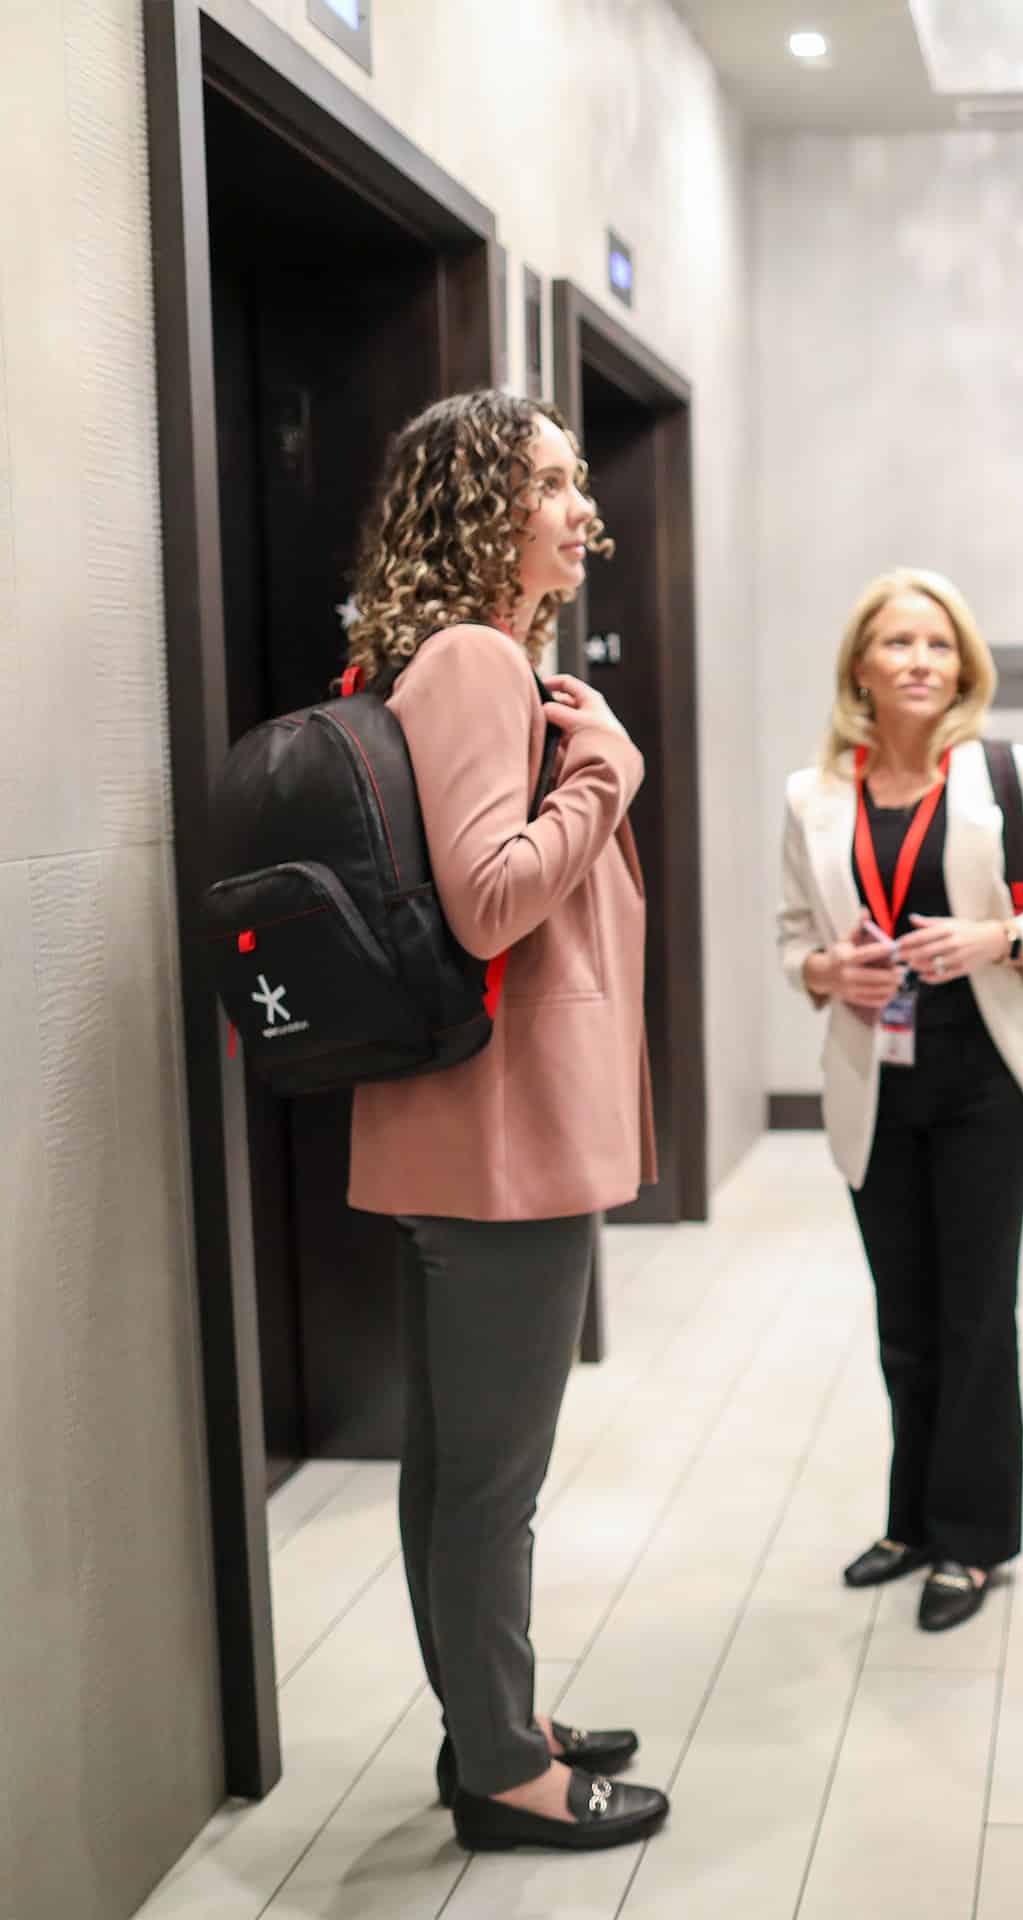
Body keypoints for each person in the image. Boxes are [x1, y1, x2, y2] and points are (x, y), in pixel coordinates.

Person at [344, 391, 669, 1853]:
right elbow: (489, 895)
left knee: (460, 1465)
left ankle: (493, 1721)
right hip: (501, 1141)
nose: (578, 506)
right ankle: (505, 1775)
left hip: (471, 1129)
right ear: (482, 508)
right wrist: (608, 777)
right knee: (493, 1480)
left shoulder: (439, 659)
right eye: (549, 482)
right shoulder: (473, 660)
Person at [777, 568, 1023, 1632]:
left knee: (974, 1315)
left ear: (964, 667)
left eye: (939, 645)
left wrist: (991, 937)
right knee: (904, 1321)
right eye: (898, 643)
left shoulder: (1006, 773)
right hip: (873, 1081)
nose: (920, 662)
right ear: (860, 667)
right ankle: (911, 1522)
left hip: (981, 1084)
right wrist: (827, 973)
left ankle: (974, 1540)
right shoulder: (814, 798)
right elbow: (790, 939)